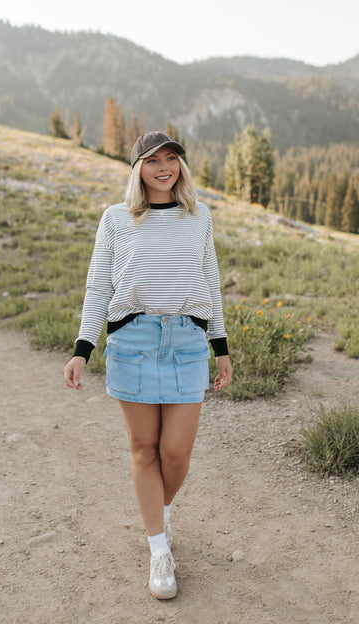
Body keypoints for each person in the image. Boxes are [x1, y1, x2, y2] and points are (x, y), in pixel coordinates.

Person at [64, 131, 233, 600]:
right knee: (144, 450)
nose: (164, 167)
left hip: (186, 342)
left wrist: (220, 346)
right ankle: (159, 548)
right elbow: (99, 285)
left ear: (180, 165)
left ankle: (159, 511)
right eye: (153, 160)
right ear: (137, 168)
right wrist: (83, 348)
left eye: (172, 158)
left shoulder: (198, 219)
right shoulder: (117, 219)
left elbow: (210, 285)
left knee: (176, 454)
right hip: (132, 341)